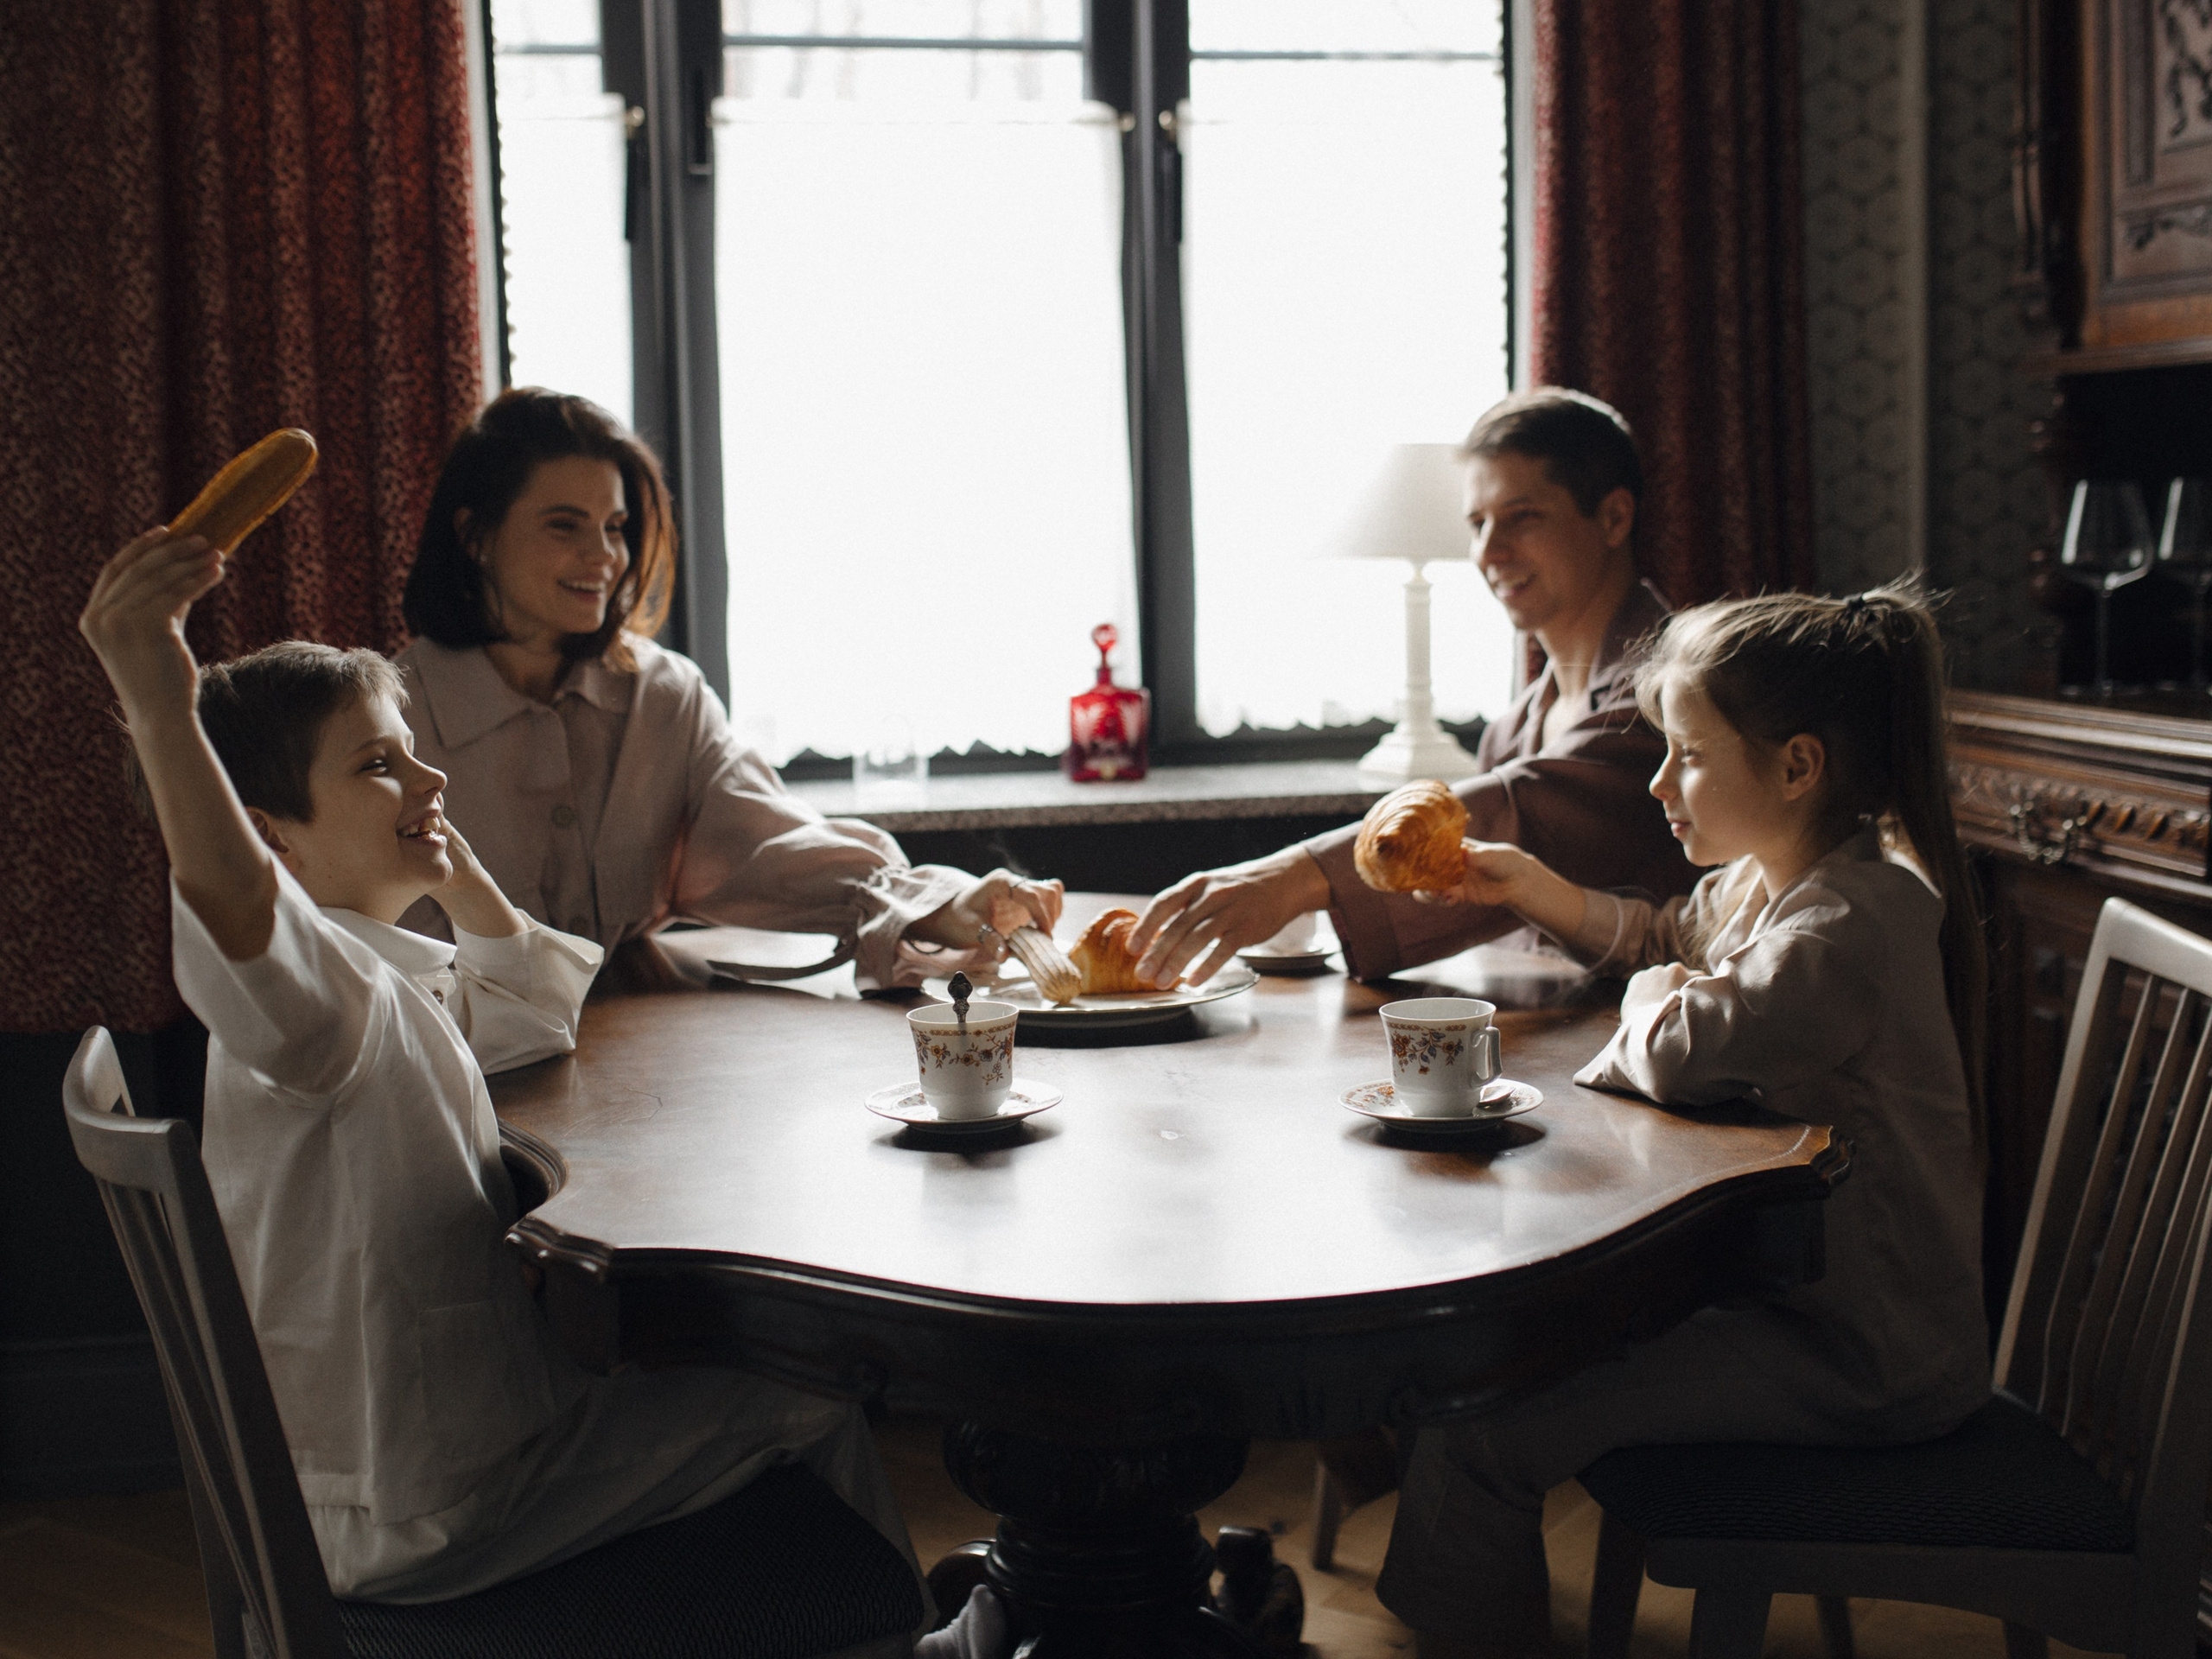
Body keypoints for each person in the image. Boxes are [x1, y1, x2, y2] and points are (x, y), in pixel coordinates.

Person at [77, 526, 919, 1642]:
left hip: (398, 1473)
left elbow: (527, 1011)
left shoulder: (381, 981)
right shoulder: (323, 1013)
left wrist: (441, 842)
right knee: (808, 1397)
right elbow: (237, 910)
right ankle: (904, 1640)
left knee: (743, 1386)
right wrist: (157, 698)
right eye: (378, 765)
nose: (431, 776)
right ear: (270, 839)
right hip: (432, 1506)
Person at [1372, 582, 1990, 1657]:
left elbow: (1671, 1046)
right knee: (1486, 1371)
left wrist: (1657, 996)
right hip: (1802, 1308)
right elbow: (1665, 940)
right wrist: (1530, 889)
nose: (1660, 782)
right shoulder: (1774, 882)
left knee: (1481, 1422)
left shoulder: (1846, 928)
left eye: (1689, 755)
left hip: (1862, 1357)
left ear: (1797, 767)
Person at [396, 387, 1058, 987]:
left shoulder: (664, 696)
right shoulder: (386, 720)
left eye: (615, 528)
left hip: (637, 1049)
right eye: (564, 525)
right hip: (446, 1058)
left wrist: (941, 904)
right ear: (475, 536)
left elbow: (772, 845)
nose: (604, 556)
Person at [1128, 388, 1694, 990]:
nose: (1489, 550)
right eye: (1477, 523)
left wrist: (1294, 878)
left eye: (1522, 516)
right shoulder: (1513, 728)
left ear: (1613, 518)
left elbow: (1528, 811)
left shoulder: (1682, 695)